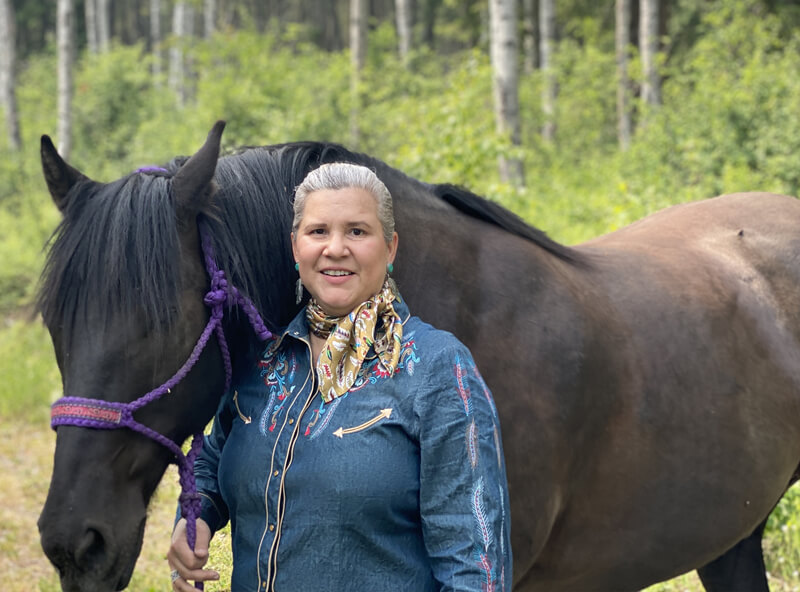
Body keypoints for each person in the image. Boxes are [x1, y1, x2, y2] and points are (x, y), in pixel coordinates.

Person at [167, 162, 512, 591]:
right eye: (318, 232)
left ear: (390, 249)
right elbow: (213, 460)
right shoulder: (261, 357)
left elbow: (474, 565)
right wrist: (195, 518)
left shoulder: (437, 368)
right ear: (295, 248)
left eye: (357, 232)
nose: (335, 248)